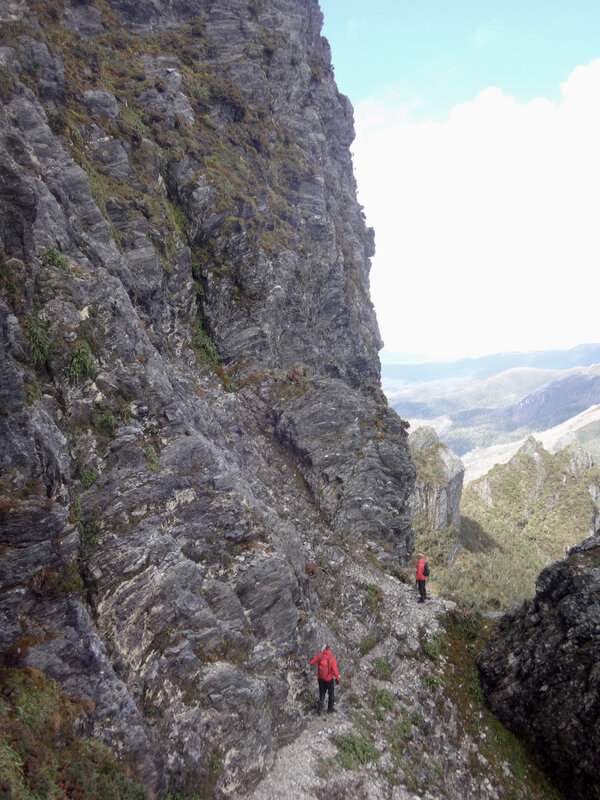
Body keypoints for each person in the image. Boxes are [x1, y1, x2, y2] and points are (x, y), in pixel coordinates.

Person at [310, 644, 340, 714]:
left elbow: (312, 663)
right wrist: (337, 678)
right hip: (329, 680)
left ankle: (319, 710)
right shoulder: (332, 658)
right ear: (330, 650)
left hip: (320, 679)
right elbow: (335, 670)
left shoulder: (321, 655)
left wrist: (311, 661)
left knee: (322, 694)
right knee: (331, 694)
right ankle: (330, 710)